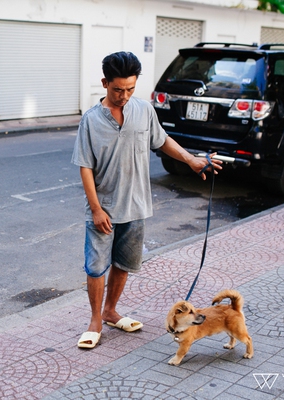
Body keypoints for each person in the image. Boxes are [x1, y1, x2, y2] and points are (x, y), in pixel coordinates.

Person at [72, 51, 222, 349]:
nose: (124, 95)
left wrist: (191, 160)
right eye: (118, 90)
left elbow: (162, 140)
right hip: (104, 209)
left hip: (136, 204)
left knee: (124, 263)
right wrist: (97, 208)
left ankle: (111, 311)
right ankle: (95, 320)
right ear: (105, 83)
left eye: (130, 88)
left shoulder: (144, 110)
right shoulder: (90, 120)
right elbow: (85, 166)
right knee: (96, 266)